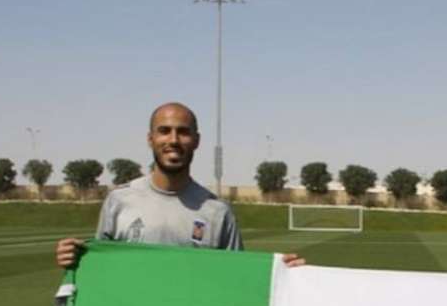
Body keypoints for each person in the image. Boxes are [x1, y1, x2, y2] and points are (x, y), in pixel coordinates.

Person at [55, 102, 303, 269]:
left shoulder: (217, 212)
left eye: (183, 132)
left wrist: (280, 274)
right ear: (150, 139)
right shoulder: (119, 201)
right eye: (164, 131)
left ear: (196, 141)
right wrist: (75, 258)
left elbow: (234, 277)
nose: (173, 140)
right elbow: (101, 268)